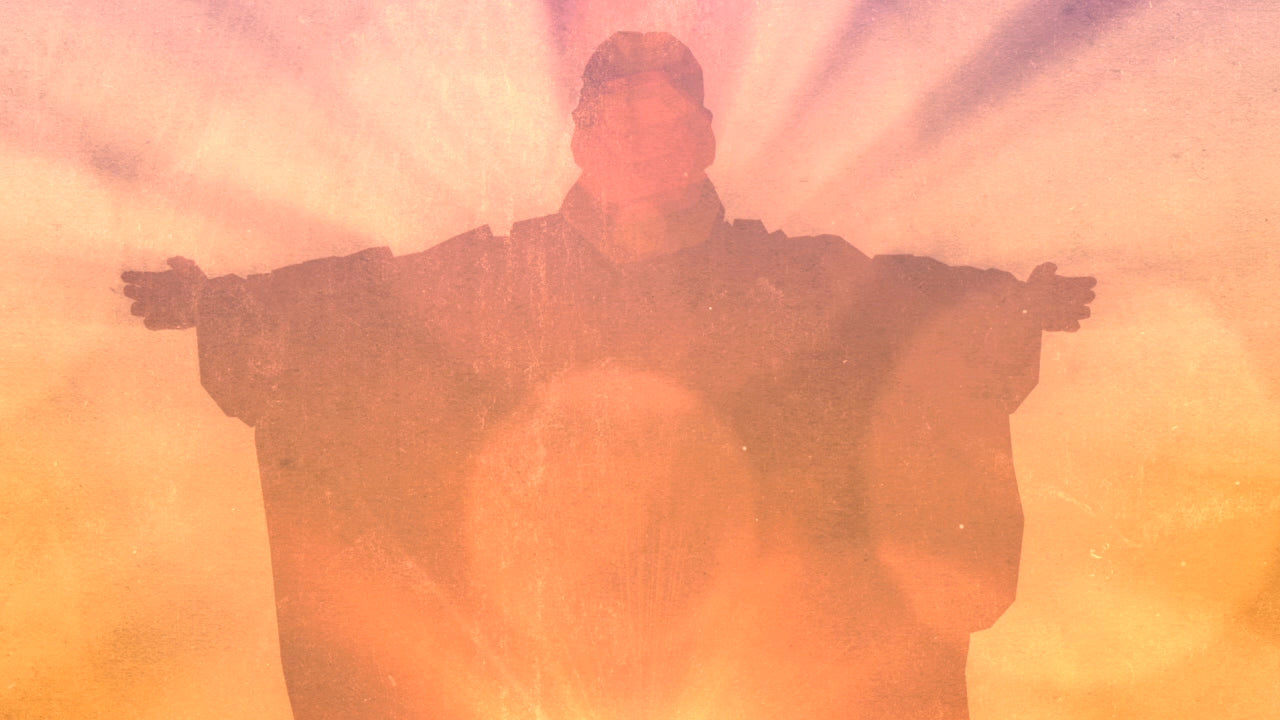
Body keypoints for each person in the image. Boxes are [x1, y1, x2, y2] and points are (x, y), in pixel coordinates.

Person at [123, 31, 1094, 720]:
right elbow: (364, 317)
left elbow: (904, 312)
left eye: (660, 123)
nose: (637, 142)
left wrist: (1009, 309)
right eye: (614, 122)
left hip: (745, 664)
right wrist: (225, 306)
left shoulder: (785, 282)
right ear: (581, 141)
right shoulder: (506, 279)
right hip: (549, 658)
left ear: (703, 140)